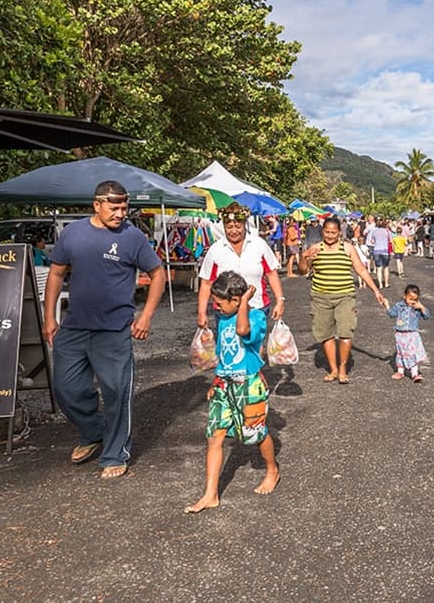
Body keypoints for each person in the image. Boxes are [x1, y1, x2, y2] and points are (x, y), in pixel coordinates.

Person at [43, 180, 165, 479]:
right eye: (114, 207)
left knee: (116, 392)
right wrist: (49, 317)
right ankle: (93, 430)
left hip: (114, 330)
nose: (121, 213)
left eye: (124, 208)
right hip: (74, 326)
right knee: (65, 389)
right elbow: (57, 274)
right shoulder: (72, 233)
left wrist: (146, 316)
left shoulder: (133, 237)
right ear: (96, 204)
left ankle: (114, 453)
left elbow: (158, 273)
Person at [185, 271, 279, 514]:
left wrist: (246, 302)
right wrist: (215, 381)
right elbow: (224, 355)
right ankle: (210, 494)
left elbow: (242, 331)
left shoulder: (256, 317)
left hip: (249, 385)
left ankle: (272, 469)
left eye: (219, 302)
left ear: (236, 300)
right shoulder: (223, 317)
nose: (215, 306)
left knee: (255, 433)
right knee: (214, 436)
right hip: (224, 385)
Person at [300, 217, 387, 383]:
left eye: (334, 232)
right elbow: (303, 270)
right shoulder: (315, 249)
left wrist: (376, 291)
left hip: (345, 296)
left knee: (346, 332)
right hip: (320, 297)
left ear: (339, 232)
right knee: (326, 335)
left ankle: (342, 369)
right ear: (322, 232)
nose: (330, 235)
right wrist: (304, 256)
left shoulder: (348, 248)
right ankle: (332, 369)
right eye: (327, 232)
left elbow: (360, 269)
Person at [196, 203, 285, 341]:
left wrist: (280, 300)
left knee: (255, 348)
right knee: (229, 349)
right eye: (229, 227)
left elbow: (271, 273)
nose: (234, 231)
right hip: (225, 311)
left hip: (257, 308)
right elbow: (206, 283)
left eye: (238, 226)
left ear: (245, 224)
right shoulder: (216, 250)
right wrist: (202, 312)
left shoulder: (258, 245)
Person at [388, 284, 430, 382]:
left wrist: (422, 307)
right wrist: (386, 306)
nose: (412, 301)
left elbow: (427, 316)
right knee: (401, 353)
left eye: (415, 299)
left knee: (412, 354)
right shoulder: (399, 306)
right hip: (400, 334)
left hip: (412, 334)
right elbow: (391, 314)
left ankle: (415, 373)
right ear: (404, 296)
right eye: (410, 298)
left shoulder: (417, 307)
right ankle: (400, 371)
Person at [367, 217, 393, 288]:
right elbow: (391, 241)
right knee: (386, 267)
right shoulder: (387, 231)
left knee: (379, 268)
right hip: (385, 251)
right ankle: (386, 283)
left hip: (376, 251)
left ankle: (380, 284)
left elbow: (372, 241)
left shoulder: (374, 232)